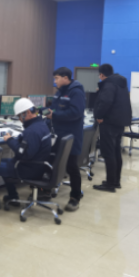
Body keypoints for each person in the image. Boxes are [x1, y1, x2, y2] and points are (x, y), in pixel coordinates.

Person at [0, 98, 52, 208]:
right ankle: (12, 197)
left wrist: (10, 140)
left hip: (28, 169)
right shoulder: (41, 125)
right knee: (1, 161)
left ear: (27, 112)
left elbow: (24, 154)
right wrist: (18, 139)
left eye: (20, 116)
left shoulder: (32, 131)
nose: (20, 119)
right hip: (38, 167)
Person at [49, 67, 85, 212]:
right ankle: (45, 191)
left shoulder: (76, 92)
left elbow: (76, 112)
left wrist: (55, 115)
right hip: (57, 133)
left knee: (71, 166)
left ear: (65, 78)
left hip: (71, 135)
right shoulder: (59, 92)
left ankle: (75, 197)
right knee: (51, 161)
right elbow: (55, 108)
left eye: (56, 78)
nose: (55, 81)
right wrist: (48, 112)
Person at [93, 64, 132, 192]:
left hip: (109, 122)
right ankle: (115, 181)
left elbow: (106, 101)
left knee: (108, 153)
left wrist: (99, 115)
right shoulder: (120, 84)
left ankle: (110, 184)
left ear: (101, 75)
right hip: (119, 122)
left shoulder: (108, 84)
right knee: (116, 152)